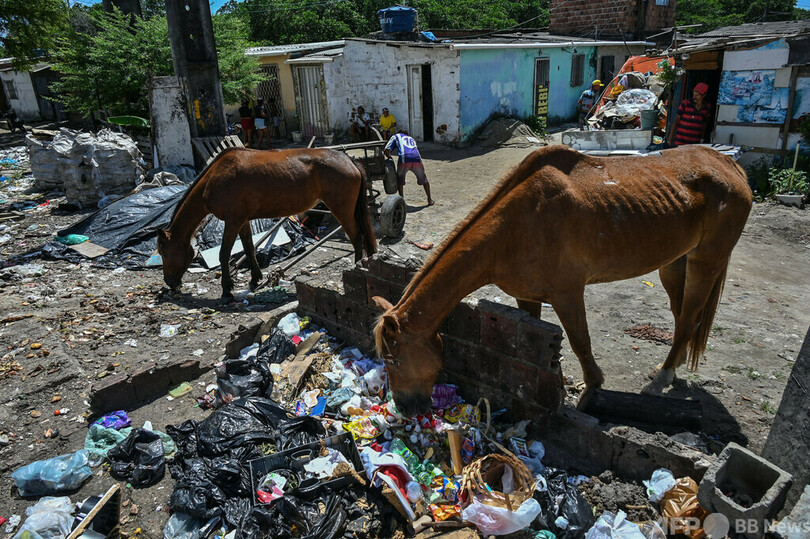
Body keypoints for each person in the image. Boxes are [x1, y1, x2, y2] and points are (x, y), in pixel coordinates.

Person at [384, 130, 434, 206]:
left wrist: (389, 157)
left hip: (404, 158)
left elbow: (386, 150)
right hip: (417, 158)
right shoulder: (411, 138)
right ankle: (429, 200)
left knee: (400, 179)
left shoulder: (396, 136)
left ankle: (402, 200)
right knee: (424, 179)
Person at [668, 82, 712, 147]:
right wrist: (670, 137)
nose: (694, 97)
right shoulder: (686, 103)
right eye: (694, 95)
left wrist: (702, 138)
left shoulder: (707, 107)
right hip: (680, 141)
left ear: (704, 95)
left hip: (694, 142)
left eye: (697, 95)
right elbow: (676, 120)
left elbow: (704, 124)